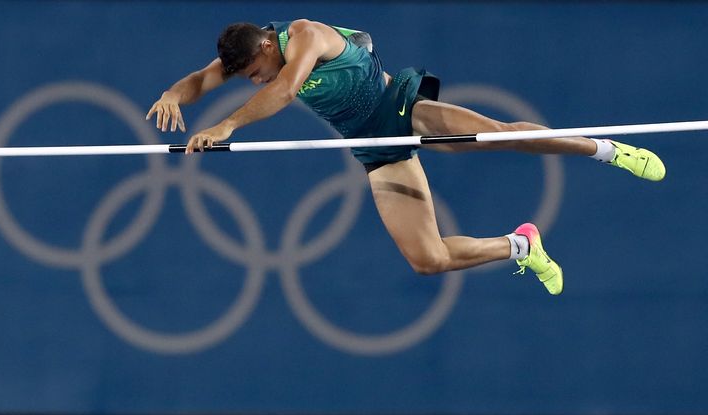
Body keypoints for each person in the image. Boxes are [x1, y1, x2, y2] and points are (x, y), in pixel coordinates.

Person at [146, 19, 666, 295]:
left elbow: (283, 90)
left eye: (251, 72)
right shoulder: (251, 53)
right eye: (243, 80)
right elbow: (201, 80)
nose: (250, 80)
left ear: (264, 46)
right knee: (428, 260)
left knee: (502, 135)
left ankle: (606, 150)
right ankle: (520, 247)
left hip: (401, 109)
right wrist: (174, 93)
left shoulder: (302, 35)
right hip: (376, 148)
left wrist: (229, 123)